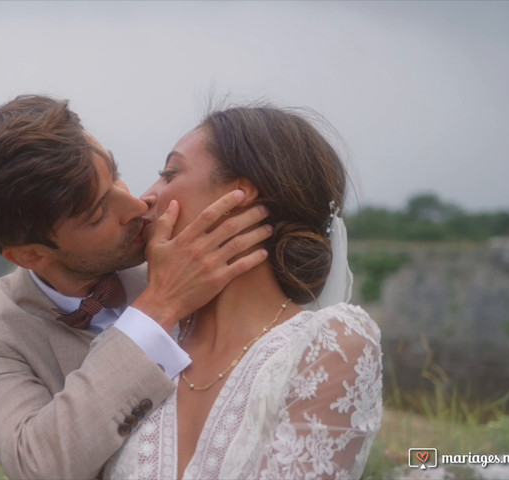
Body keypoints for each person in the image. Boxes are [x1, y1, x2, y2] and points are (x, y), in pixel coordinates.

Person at [0, 95, 273, 480]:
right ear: (30, 255)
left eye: (116, 174)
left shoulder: (190, 258)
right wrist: (158, 308)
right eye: (98, 213)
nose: (137, 207)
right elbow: (38, 464)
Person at [104, 104, 383, 479]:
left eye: (170, 173)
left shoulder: (329, 345)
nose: (146, 198)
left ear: (241, 193)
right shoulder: (136, 335)